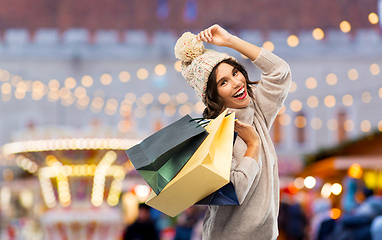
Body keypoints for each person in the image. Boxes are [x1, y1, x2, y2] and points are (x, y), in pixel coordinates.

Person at [174, 24, 291, 240]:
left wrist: (230, 41)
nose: (237, 82)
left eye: (235, 72)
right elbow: (233, 192)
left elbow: (280, 72)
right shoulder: (214, 135)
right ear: (213, 95)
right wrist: (253, 147)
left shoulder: (257, 110)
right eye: (223, 82)